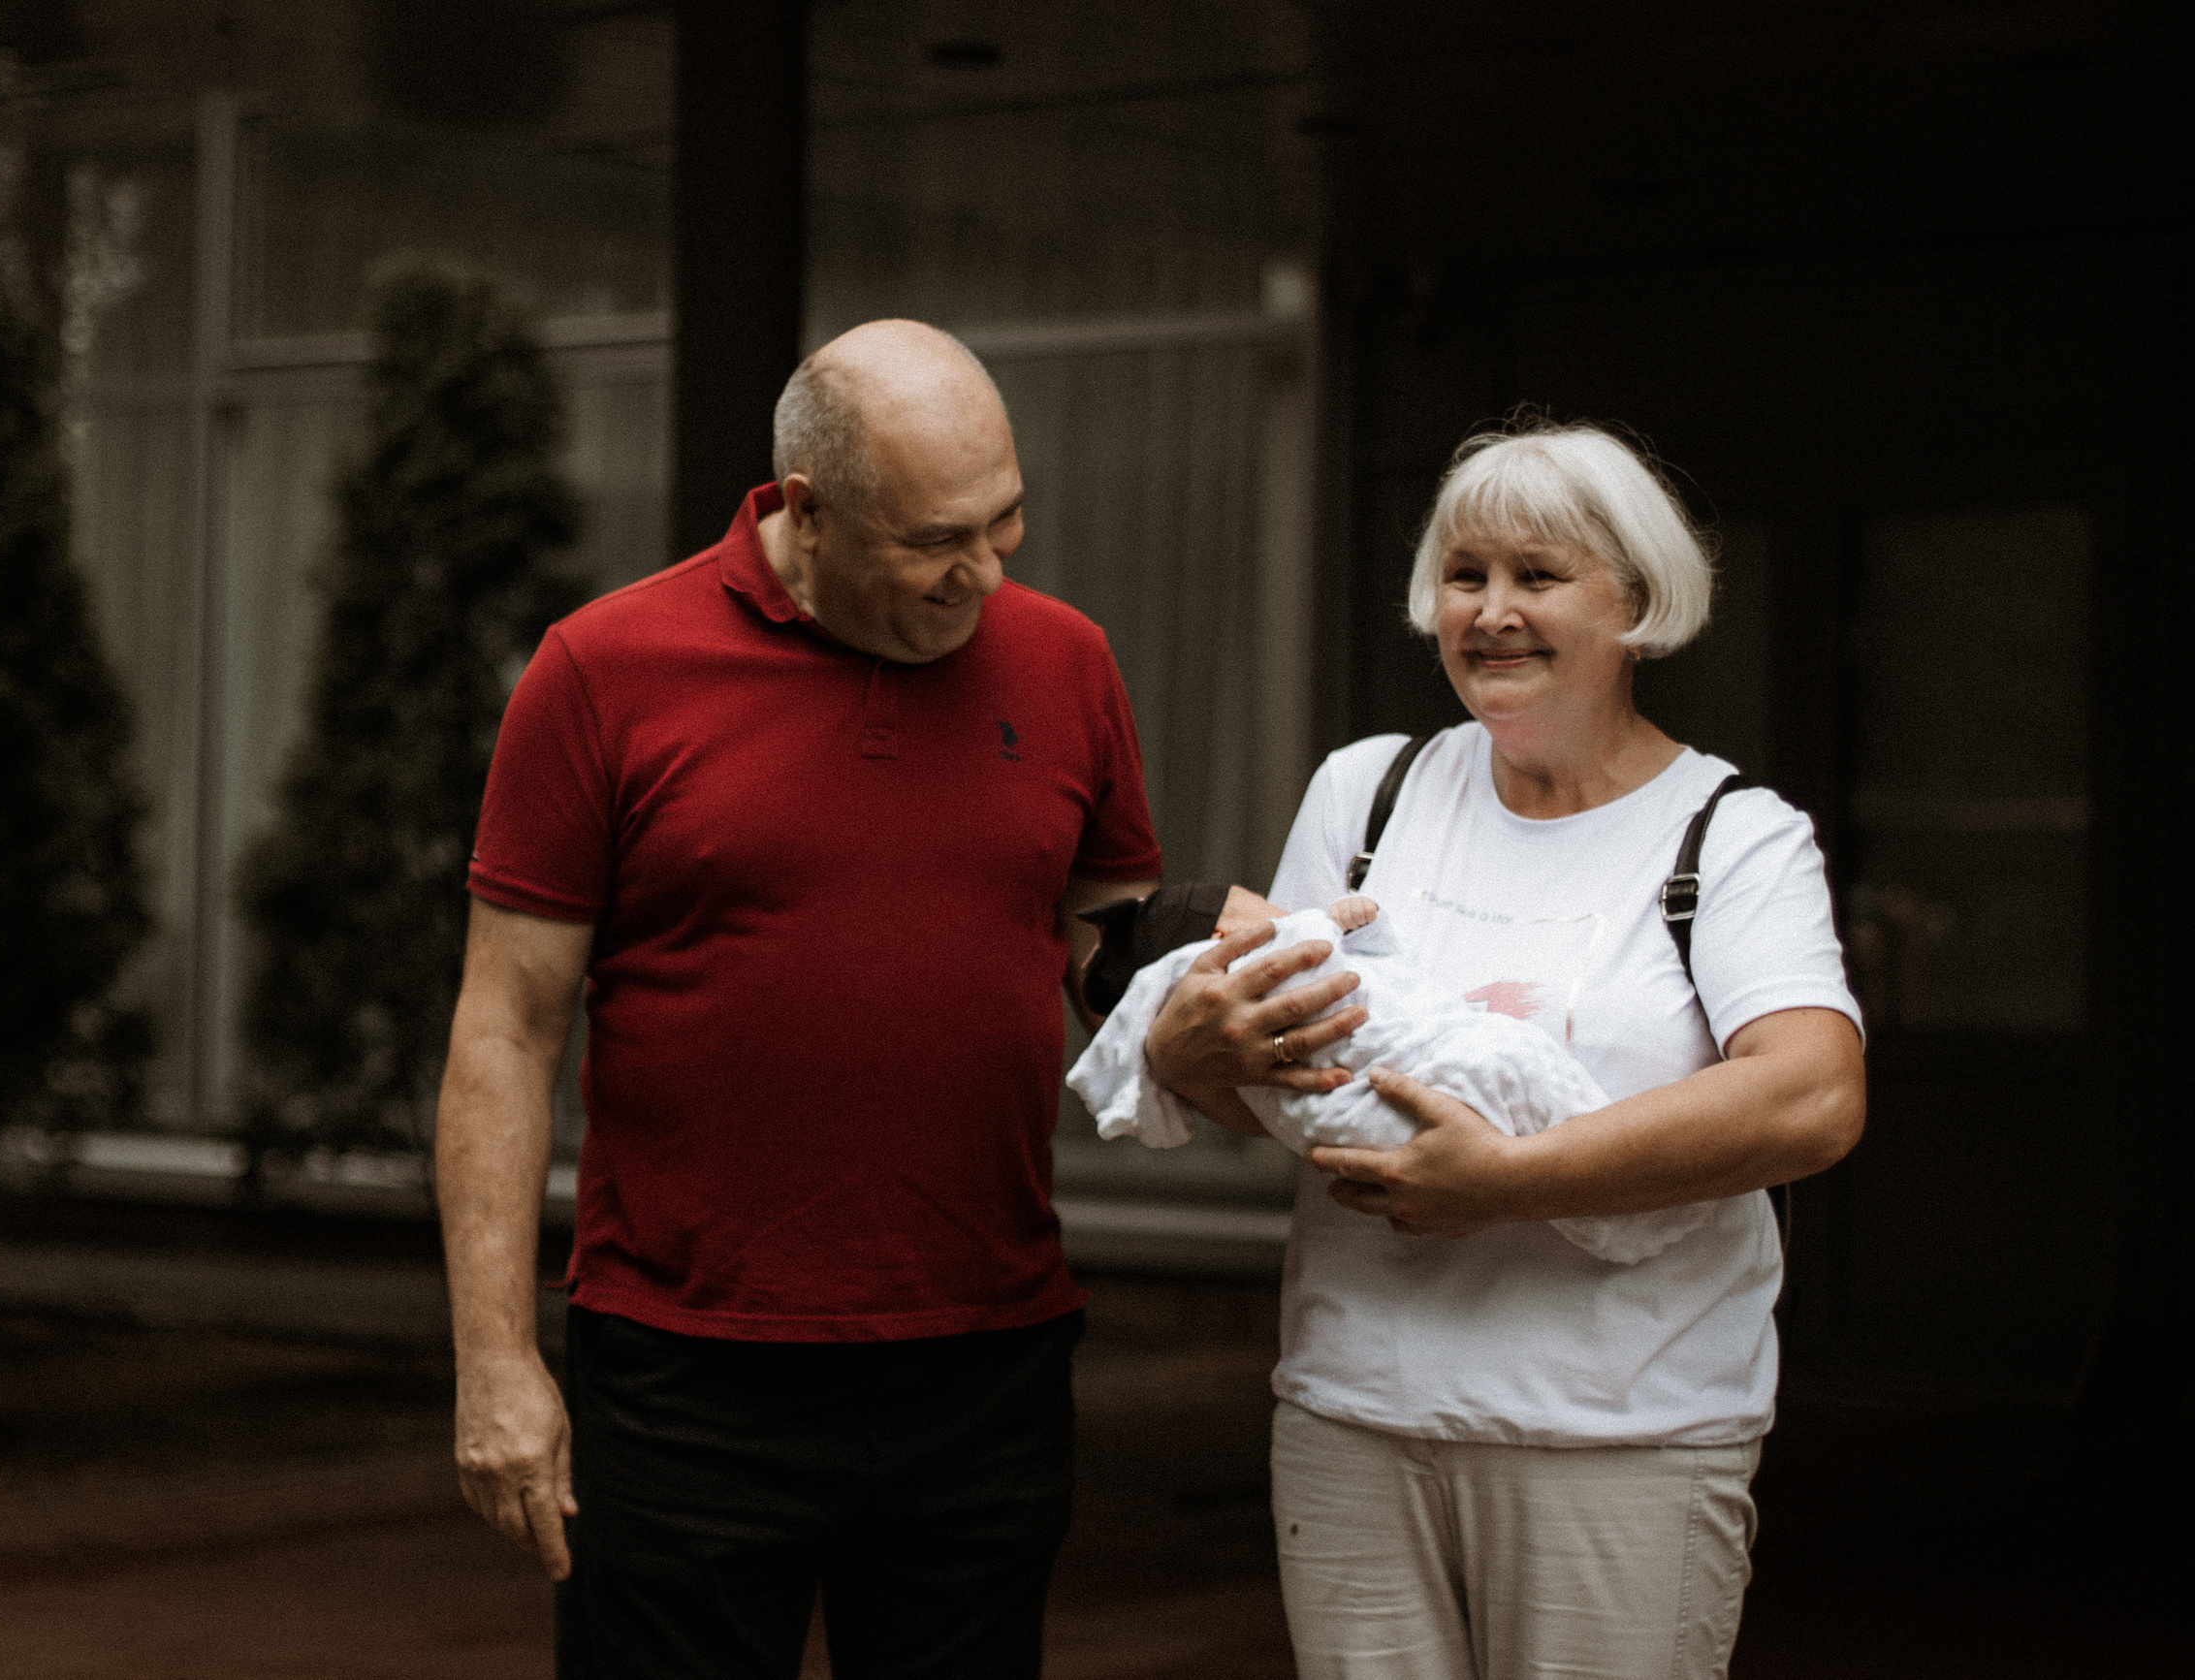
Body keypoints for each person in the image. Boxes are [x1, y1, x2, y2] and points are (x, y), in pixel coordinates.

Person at [434, 319, 1161, 1680]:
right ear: (809, 510)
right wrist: (495, 1358)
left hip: (985, 1358)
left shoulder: (1068, 662)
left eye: (1005, 520)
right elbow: (504, 1029)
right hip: (688, 1371)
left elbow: (1108, 941)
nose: (985, 571)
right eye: (937, 539)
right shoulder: (603, 670)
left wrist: (1213, 1000)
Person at [1142, 420, 1865, 1680]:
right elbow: (1298, 1091)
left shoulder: (1729, 835)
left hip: (1623, 1433)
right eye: (1465, 575)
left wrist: (1510, 1181)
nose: (1491, 612)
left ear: (1634, 601)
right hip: (1355, 1414)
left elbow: (1811, 1098)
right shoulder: (1368, 797)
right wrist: (1187, 1053)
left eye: (1538, 575)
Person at [1066, 892, 1712, 1265]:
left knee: (1511, 1089)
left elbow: (1381, 968)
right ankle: (1630, 1205)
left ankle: (1618, 1204)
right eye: (1252, 903)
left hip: (1370, 1089)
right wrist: (1339, 920)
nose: (1277, 903)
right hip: (1405, 1070)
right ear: (1224, 936)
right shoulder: (1256, 962)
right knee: (1512, 1070)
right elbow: (1320, 948)